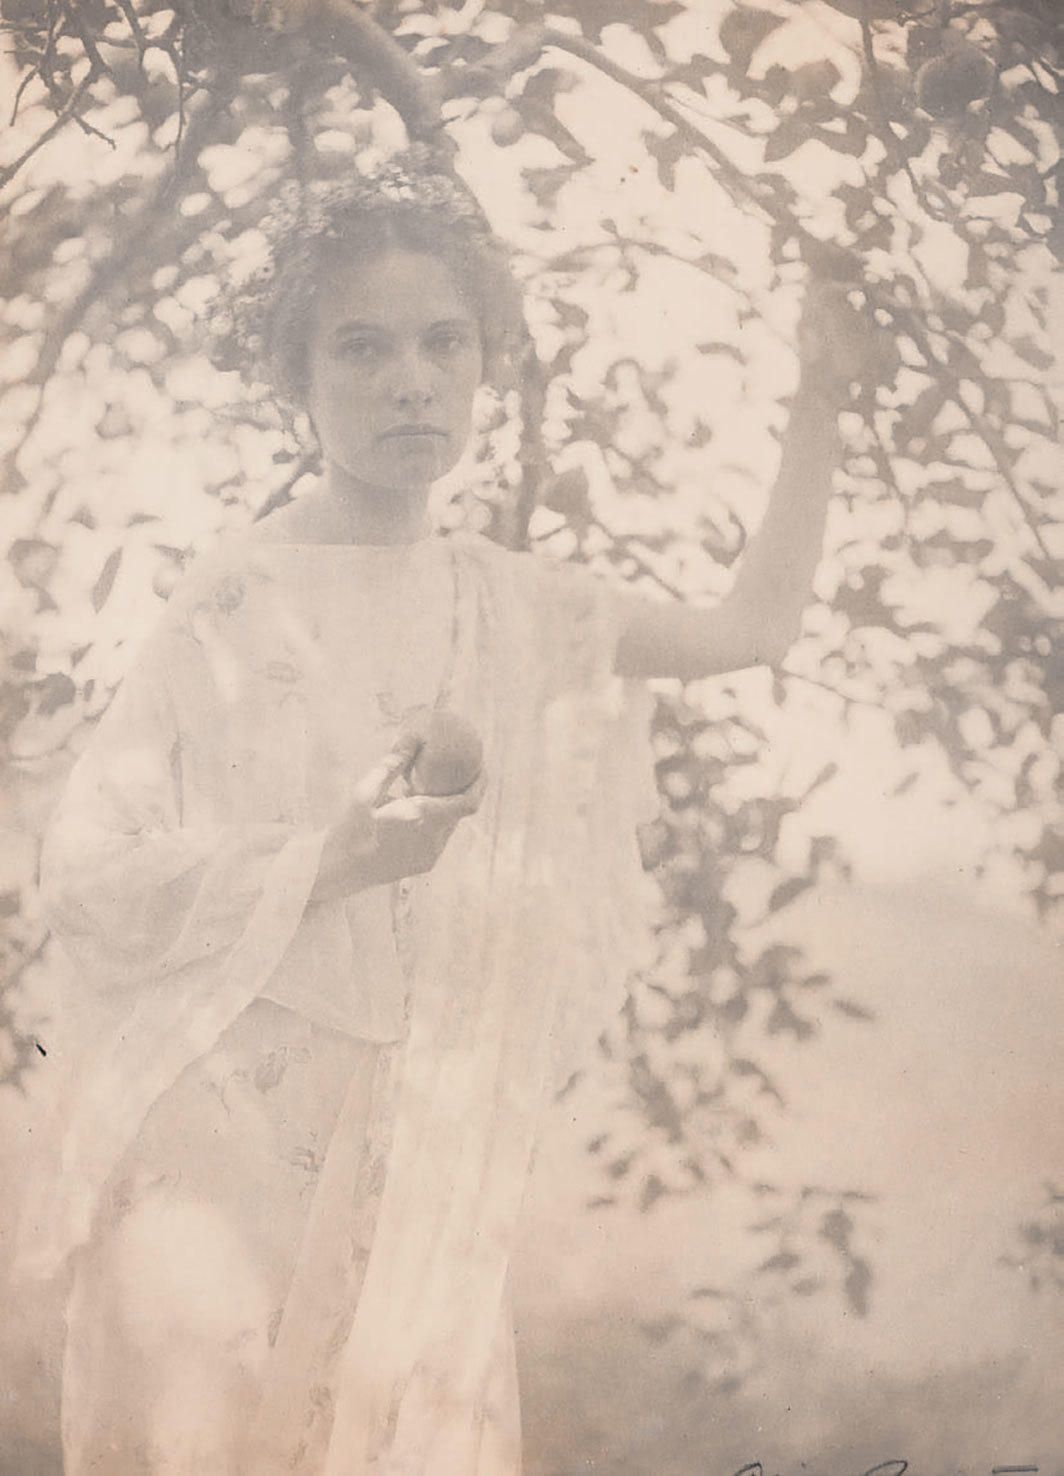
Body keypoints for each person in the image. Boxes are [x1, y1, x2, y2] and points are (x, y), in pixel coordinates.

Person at [22, 158, 860, 1475]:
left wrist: (820, 397)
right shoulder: (234, 600)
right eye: (360, 346)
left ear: (486, 369)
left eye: (441, 343)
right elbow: (84, 873)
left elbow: (754, 628)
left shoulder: (517, 609)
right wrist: (330, 860)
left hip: (417, 1158)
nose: (408, 378)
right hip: (224, 1157)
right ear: (293, 378)